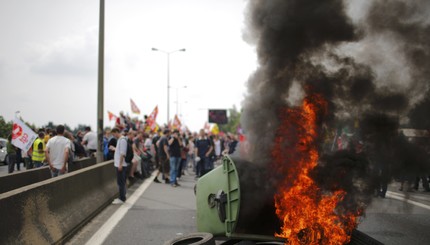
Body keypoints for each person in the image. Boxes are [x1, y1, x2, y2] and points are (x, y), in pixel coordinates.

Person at [112, 129, 131, 204]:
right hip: (120, 164)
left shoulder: (122, 140)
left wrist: (120, 164)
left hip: (121, 165)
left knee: (120, 182)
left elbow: (122, 153)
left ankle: (122, 198)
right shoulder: (120, 139)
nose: (114, 136)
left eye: (114, 134)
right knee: (121, 181)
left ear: (116, 132)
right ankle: (122, 196)